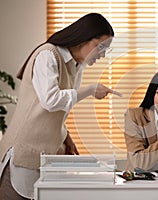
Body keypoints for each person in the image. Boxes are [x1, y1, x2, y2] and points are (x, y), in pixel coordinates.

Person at [0, 13, 121, 200]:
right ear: (84, 39)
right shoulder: (47, 54)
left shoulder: (76, 66)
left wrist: (65, 136)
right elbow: (51, 100)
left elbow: (57, 111)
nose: (103, 54)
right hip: (23, 153)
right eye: (101, 47)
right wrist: (90, 90)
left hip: (43, 153)